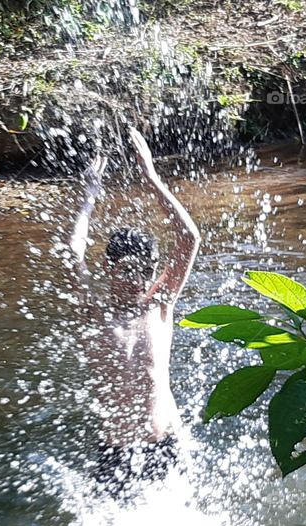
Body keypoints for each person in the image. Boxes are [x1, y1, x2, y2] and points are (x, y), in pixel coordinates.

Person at [63, 127, 202, 498]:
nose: (141, 279)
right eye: (129, 269)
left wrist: (152, 178)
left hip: (167, 444)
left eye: (148, 269)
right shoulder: (94, 315)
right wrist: (89, 197)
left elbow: (190, 239)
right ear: (109, 268)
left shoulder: (159, 307)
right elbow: (71, 253)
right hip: (116, 453)